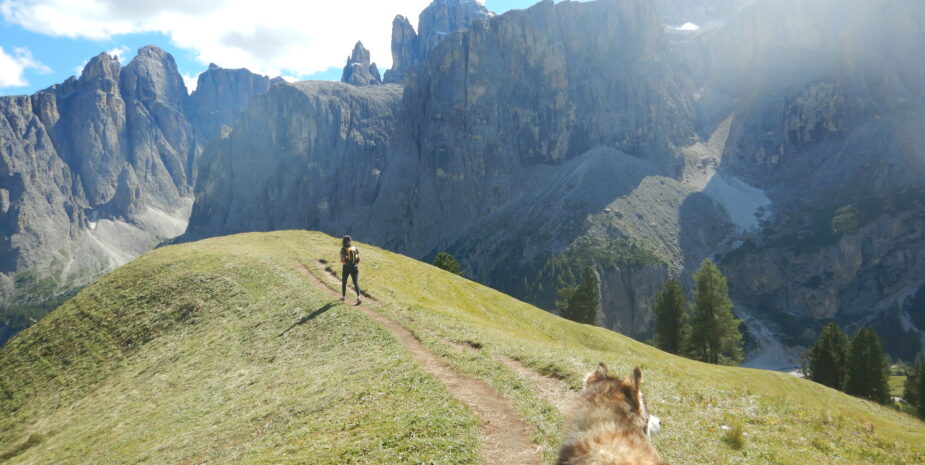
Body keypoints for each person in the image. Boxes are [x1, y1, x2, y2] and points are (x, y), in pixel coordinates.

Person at [340, 235, 362, 304]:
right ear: (350, 241)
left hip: (346, 268)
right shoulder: (355, 248)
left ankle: (343, 297)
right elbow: (359, 259)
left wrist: (344, 260)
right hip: (355, 268)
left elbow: (342, 260)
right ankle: (358, 297)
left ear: (343, 241)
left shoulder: (343, 249)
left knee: (344, 282)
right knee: (355, 283)